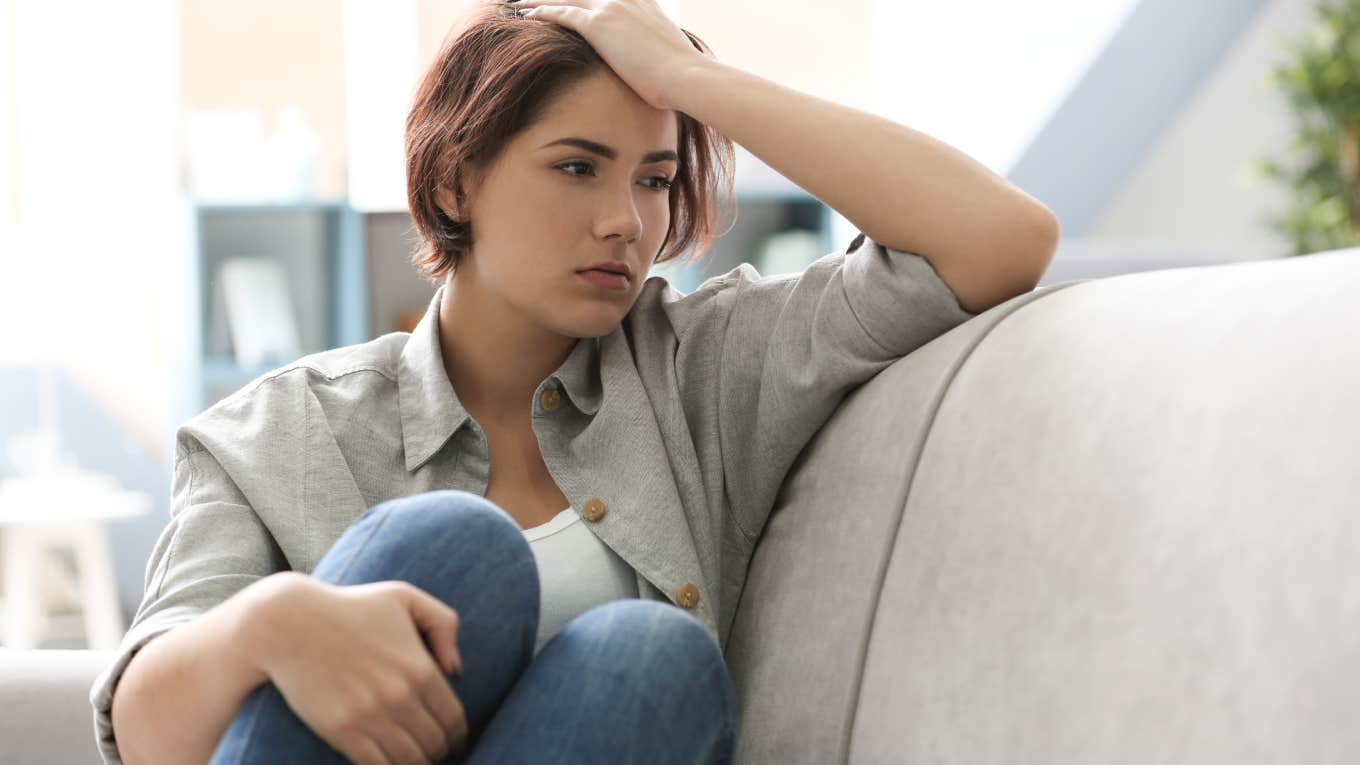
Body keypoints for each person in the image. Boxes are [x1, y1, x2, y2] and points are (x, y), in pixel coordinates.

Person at [91, 1, 1059, 763]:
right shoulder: (278, 433)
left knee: (651, 657)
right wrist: (268, 625)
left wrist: (693, 78)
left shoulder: (700, 370)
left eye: (650, 178)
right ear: (451, 184)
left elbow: (998, 242)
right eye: (576, 167)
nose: (625, 224)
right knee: (450, 549)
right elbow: (146, 740)